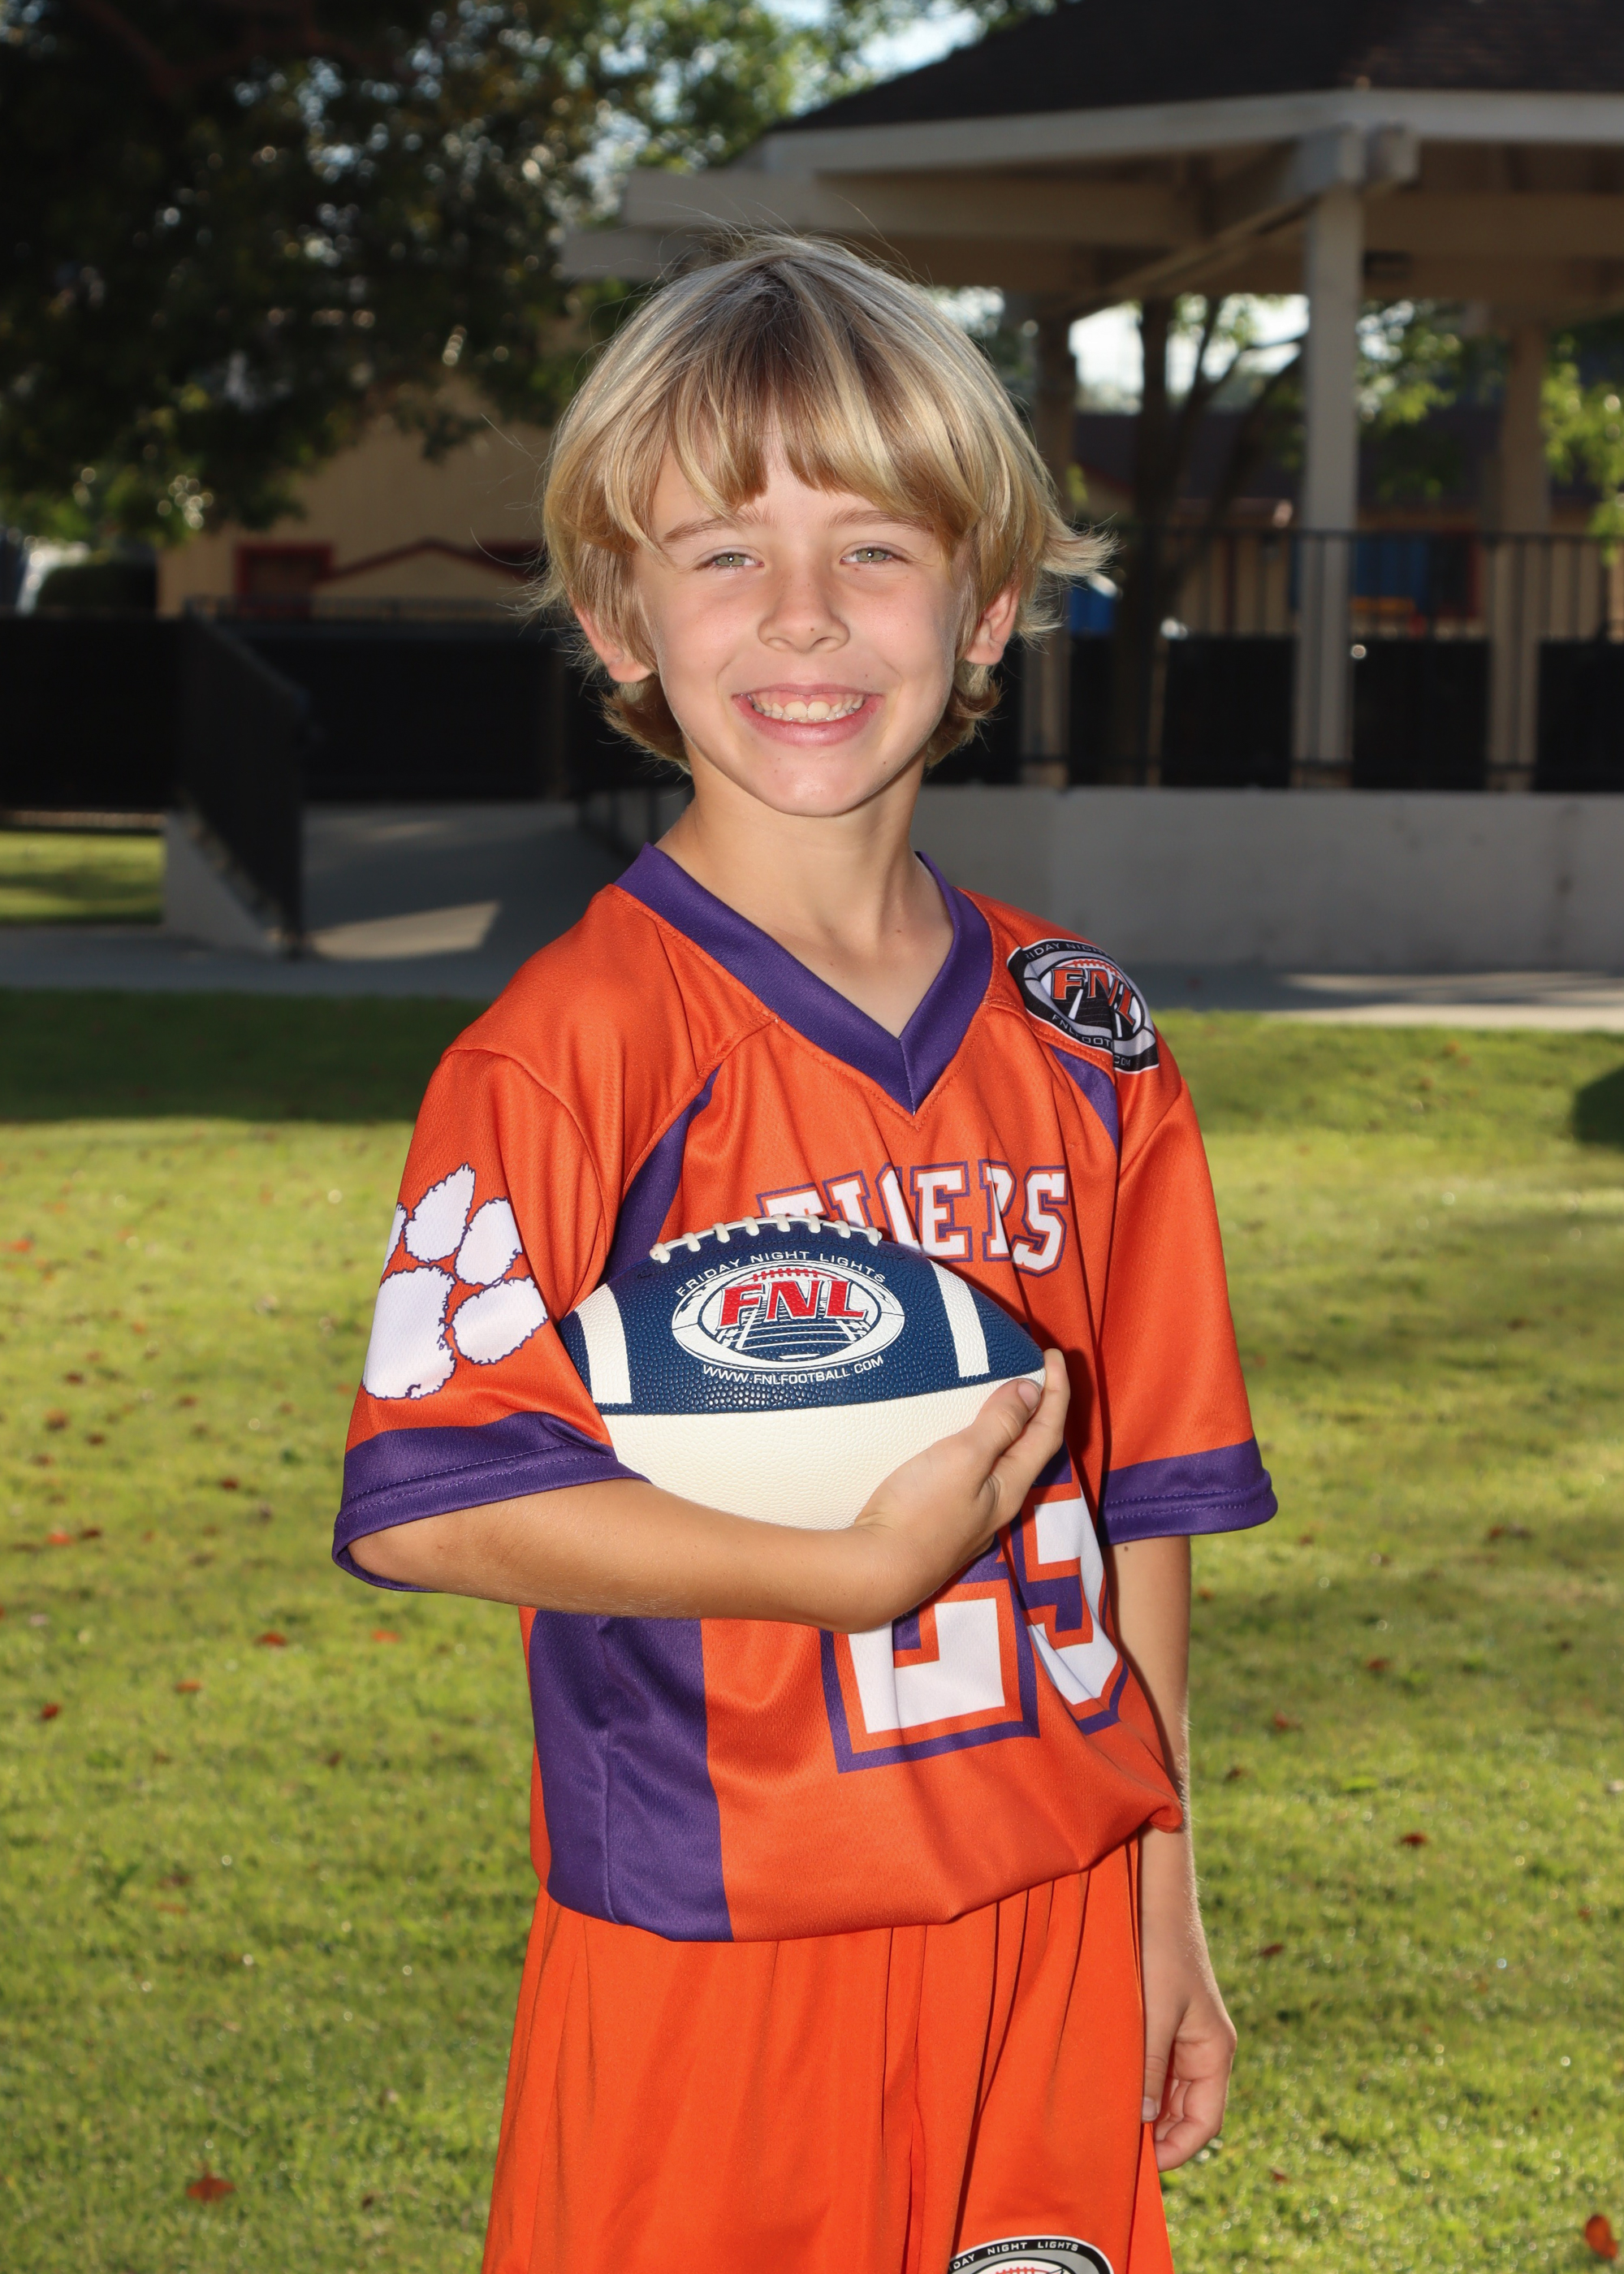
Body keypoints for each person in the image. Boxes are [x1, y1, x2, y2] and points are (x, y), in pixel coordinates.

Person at [333, 236, 1275, 2274]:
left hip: (1045, 1906)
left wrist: (1162, 1890)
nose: (802, 616)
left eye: (872, 549)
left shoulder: (1086, 1034)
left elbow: (1143, 1503)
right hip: (715, 1935)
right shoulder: (570, 1048)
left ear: (987, 601)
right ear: (619, 613)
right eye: (723, 554)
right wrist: (841, 1571)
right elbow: (431, 1496)